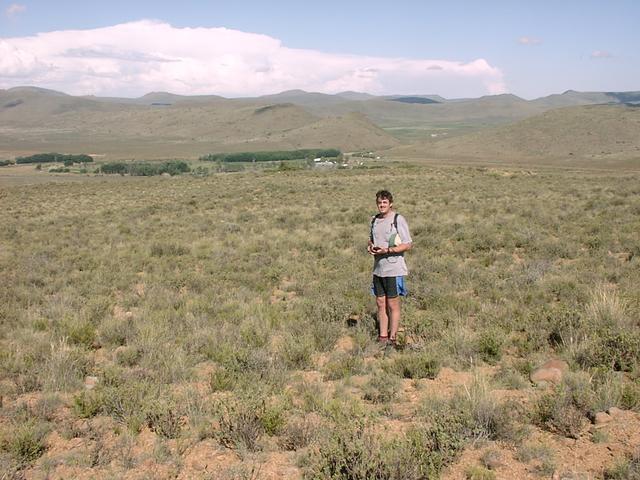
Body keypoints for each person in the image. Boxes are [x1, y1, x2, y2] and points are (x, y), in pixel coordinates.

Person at [367, 190, 412, 347]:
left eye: (385, 202)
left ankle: (393, 339)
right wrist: (370, 247)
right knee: (380, 302)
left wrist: (388, 250)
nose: (382, 205)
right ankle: (383, 336)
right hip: (378, 268)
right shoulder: (374, 220)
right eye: (379, 202)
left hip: (393, 268)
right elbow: (371, 240)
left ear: (390, 203)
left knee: (393, 304)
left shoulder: (398, 219)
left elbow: (407, 244)